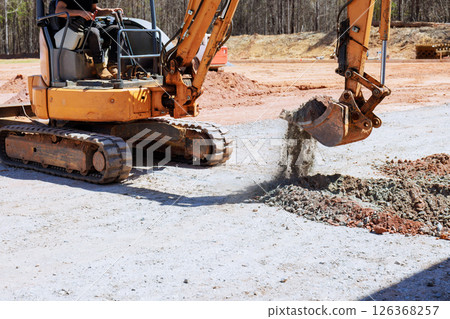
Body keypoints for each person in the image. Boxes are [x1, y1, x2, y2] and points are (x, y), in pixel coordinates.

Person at [55, 0, 123, 79]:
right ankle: (100, 67)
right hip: (75, 27)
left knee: (118, 30)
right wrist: (80, 13)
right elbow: (58, 10)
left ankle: (113, 65)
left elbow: (94, 11)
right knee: (93, 32)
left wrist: (109, 11)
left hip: (92, 24)